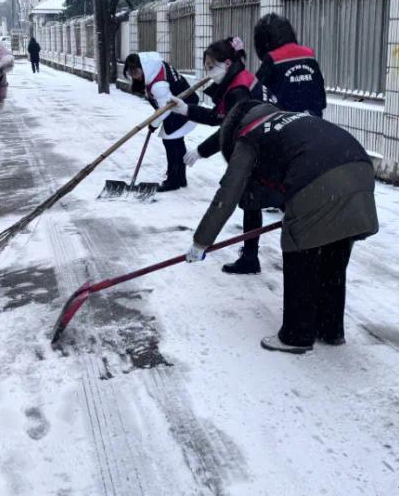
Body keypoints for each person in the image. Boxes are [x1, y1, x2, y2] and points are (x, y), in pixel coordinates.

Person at [184, 100, 378, 354]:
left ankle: (296, 335)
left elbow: (229, 192)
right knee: (334, 249)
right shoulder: (289, 118)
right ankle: (330, 329)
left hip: (319, 179)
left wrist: (201, 241)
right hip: (359, 171)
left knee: (300, 248)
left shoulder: (248, 135)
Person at [171, 37, 268, 274]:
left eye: (211, 67)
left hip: (261, 146)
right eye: (206, 68)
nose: (208, 73)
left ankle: (251, 256)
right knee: (252, 201)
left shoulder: (238, 90)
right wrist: (187, 110)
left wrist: (201, 151)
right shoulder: (237, 79)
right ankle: (250, 255)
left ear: (226, 63)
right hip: (261, 142)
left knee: (250, 199)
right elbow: (219, 117)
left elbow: (228, 127)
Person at [123, 52, 198, 192]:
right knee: (175, 141)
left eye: (135, 70)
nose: (133, 74)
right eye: (129, 70)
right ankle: (179, 179)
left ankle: (174, 181)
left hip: (185, 109)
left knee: (171, 141)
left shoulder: (158, 85)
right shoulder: (153, 68)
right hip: (180, 106)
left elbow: (165, 109)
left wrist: (153, 124)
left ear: (142, 66)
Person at [253, 13, 327, 117]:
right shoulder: (309, 55)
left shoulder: (272, 59)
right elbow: (320, 97)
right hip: (313, 121)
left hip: (285, 123)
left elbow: (258, 94)